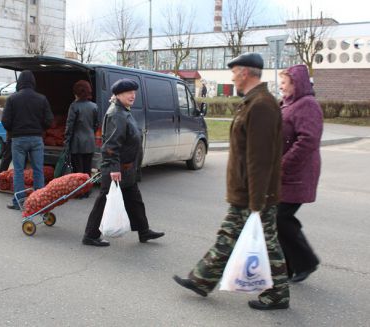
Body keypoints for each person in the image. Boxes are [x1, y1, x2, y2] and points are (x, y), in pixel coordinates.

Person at [173, 53, 290, 310]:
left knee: (266, 242)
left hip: (254, 194)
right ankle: (202, 280)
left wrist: (257, 201)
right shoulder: (253, 102)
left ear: (246, 73)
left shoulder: (261, 105)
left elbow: (260, 158)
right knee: (229, 235)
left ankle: (278, 293)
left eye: (235, 72)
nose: (233, 77)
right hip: (246, 191)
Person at [82, 78, 165, 247]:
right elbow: (111, 145)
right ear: (118, 95)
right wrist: (113, 168)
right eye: (128, 93)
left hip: (127, 169)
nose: (132, 95)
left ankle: (143, 231)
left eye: (134, 92)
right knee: (104, 201)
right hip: (117, 168)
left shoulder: (124, 111)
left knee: (134, 199)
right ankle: (90, 235)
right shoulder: (116, 114)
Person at [277, 64, 322, 283]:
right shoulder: (288, 103)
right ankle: (289, 266)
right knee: (280, 219)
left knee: (281, 217)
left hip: (298, 173)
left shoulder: (307, 105)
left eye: (284, 82)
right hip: (285, 174)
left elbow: (308, 141)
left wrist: (283, 164)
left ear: (297, 83)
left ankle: (306, 261)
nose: (281, 86)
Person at [2, 70, 54, 210]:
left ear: (19, 82)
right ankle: (39, 201)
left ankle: (18, 202)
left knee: (18, 170)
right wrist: (39, 129)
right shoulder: (42, 99)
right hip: (36, 138)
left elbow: (5, 121)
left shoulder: (12, 99)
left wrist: (14, 130)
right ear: (33, 82)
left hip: (18, 139)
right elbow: (49, 121)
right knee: (38, 170)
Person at [64, 80, 99, 198]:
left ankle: (79, 192)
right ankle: (87, 191)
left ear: (77, 92)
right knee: (87, 168)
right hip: (90, 141)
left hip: (77, 142)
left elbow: (70, 126)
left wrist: (66, 142)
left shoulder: (74, 106)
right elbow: (96, 124)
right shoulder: (94, 106)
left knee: (78, 170)